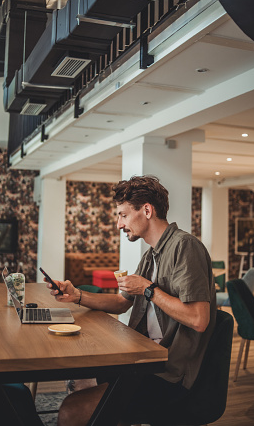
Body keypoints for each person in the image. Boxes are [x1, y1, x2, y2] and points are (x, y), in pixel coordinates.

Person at [45, 175, 216, 426]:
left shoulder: (185, 247)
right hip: (142, 359)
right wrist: (77, 295)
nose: (118, 224)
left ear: (147, 210)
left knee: (71, 411)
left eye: (123, 215)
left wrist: (148, 289)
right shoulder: (151, 255)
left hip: (168, 373)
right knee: (81, 376)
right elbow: (121, 302)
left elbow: (198, 319)